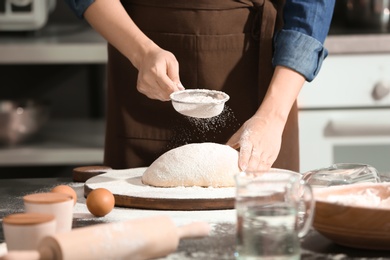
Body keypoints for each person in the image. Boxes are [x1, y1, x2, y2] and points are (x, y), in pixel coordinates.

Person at [64, 0, 335, 173]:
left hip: (266, 92)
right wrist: (141, 52)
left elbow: (312, 5)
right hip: (142, 59)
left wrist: (272, 115)